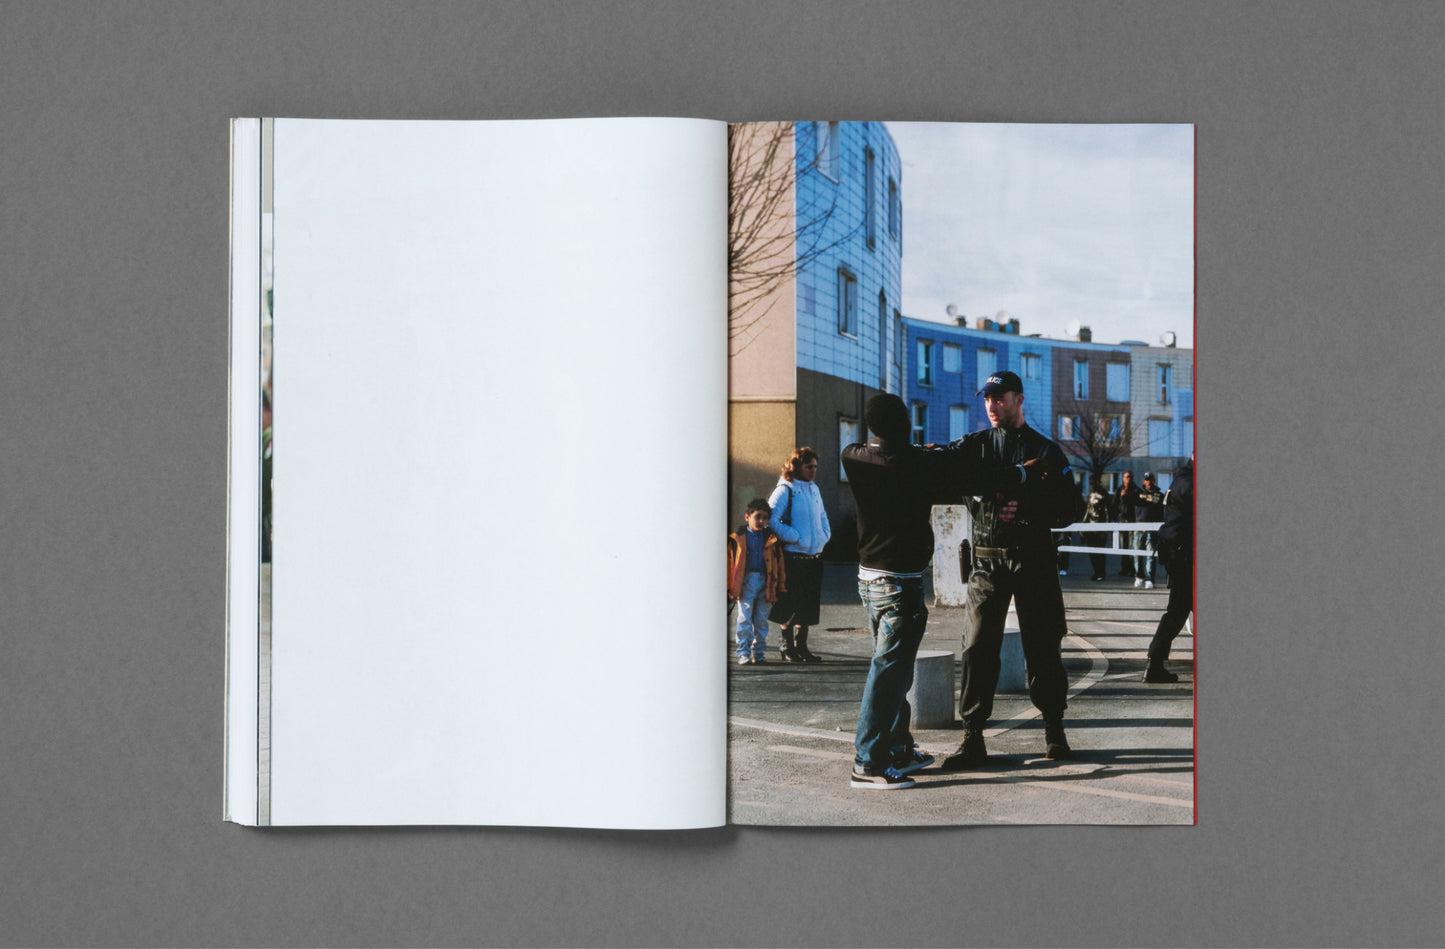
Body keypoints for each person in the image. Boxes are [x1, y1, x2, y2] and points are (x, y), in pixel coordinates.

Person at [841, 393, 1049, 789]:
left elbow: (907, 455)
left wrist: (922, 452)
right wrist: (1021, 473)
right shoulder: (918, 464)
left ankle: (899, 748)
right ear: (905, 425)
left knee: (896, 672)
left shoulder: (853, 456)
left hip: (868, 580)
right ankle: (867, 763)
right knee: (887, 676)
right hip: (899, 585)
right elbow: (977, 478)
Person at [940, 370, 1082, 771]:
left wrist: (1029, 506)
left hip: (1034, 560)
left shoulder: (1047, 451)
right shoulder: (974, 447)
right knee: (977, 648)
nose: (991, 405)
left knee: (1043, 647)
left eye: (999, 398)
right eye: (987, 398)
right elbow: (947, 477)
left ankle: (1054, 730)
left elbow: (1071, 509)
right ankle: (972, 737)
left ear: (1019, 400)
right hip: (987, 562)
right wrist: (985, 502)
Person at [767, 448, 832, 662]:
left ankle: (801, 647)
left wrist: (824, 535)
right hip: (792, 557)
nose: (813, 470)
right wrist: (793, 536)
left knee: (808, 604)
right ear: (796, 467)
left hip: (814, 557)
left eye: (815, 467)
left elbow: (822, 515)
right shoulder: (785, 489)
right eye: (808, 467)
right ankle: (787, 647)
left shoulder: (814, 488)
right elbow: (770, 519)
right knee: (789, 603)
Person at [1145, 456, 1194, 682]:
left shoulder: (1183, 478)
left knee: (1177, 611)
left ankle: (1155, 663)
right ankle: (1154, 664)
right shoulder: (1189, 482)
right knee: (1177, 611)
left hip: (1178, 553)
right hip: (1184, 555)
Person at [727, 498, 787, 666]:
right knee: (744, 618)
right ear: (747, 517)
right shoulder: (737, 539)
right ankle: (743, 653)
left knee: (761, 620)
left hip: (767, 583)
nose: (761, 521)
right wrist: (730, 587)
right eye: (757, 517)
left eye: (765, 518)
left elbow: (779, 564)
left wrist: (780, 586)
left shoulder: (772, 539)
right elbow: (729, 564)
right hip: (745, 582)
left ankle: (759, 653)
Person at [1133, 471, 1165, 588]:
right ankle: (1139, 576)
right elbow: (1130, 500)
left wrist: (1145, 498)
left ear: (1154, 480)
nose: (1149, 482)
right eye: (1146, 479)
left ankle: (1149, 579)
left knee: (1150, 555)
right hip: (1139, 528)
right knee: (1137, 554)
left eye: (1151, 479)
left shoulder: (1159, 495)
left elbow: (1158, 504)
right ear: (1143, 481)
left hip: (1152, 528)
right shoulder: (1137, 493)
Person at [1082, 476, 1111, 581]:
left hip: (1100, 526)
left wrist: (1107, 527)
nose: (1092, 486)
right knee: (1092, 551)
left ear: (1099, 483)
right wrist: (1083, 525)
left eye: (1093, 483)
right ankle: (1096, 571)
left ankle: (1101, 573)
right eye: (1090, 483)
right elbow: (1088, 510)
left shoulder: (1104, 495)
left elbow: (1107, 511)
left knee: (1099, 551)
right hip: (1090, 526)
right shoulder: (1091, 494)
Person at [1114, 470, 1140, 577]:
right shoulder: (1119, 490)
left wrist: (1127, 496)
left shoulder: (1136, 490)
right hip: (1122, 521)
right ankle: (1124, 568)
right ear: (1123, 478)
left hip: (1132, 520)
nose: (1129, 479)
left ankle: (1132, 569)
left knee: (1131, 545)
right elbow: (1115, 505)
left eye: (1131, 477)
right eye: (1127, 477)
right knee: (1123, 545)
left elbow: (1137, 503)